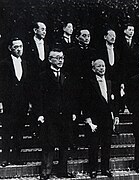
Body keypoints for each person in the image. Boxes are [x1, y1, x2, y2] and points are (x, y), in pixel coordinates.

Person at [37, 48, 76, 180]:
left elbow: (71, 96)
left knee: (64, 143)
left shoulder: (67, 76)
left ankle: (62, 170)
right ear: (50, 59)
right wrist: (40, 114)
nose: (60, 61)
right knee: (49, 143)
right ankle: (45, 171)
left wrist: (73, 112)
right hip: (50, 116)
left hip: (65, 116)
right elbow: (39, 97)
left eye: (62, 58)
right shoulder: (43, 76)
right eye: (57, 58)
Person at [82, 59, 119, 178]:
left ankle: (105, 168)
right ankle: (93, 169)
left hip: (107, 119)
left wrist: (115, 115)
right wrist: (88, 120)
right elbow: (85, 102)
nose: (102, 68)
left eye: (103, 66)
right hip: (95, 119)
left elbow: (113, 101)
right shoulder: (89, 83)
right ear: (94, 69)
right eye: (99, 66)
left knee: (106, 145)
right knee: (94, 145)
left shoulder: (109, 82)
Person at [0, 37, 31, 167]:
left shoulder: (25, 63)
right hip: (8, 103)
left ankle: (17, 157)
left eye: (21, 46)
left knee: (19, 131)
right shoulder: (4, 63)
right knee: (7, 131)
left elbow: (27, 85)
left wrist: (29, 103)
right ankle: (4, 158)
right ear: (10, 48)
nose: (19, 49)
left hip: (21, 104)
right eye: (16, 47)